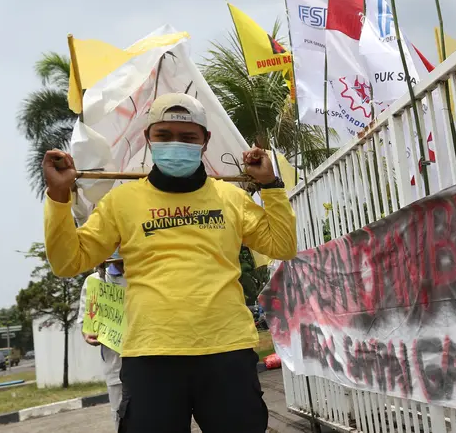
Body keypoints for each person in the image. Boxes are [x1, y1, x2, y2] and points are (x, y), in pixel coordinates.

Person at [42, 93, 297, 433]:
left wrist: (271, 186)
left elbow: (282, 245)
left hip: (227, 351)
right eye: (164, 135)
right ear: (148, 138)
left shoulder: (230, 197)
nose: (175, 144)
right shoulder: (122, 201)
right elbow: (68, 261)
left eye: (188, 137)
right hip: (150, 356)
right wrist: (59, 198)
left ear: (205, 141)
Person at [76, 250, 126, 431]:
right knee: (122, 418)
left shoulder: (148, 276)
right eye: (118, 262)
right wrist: (88, 334)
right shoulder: (95, 282)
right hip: (116, 366)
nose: (122, 265)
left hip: (153, 361)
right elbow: (85, 323)